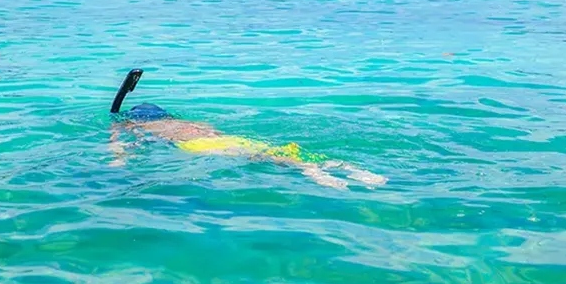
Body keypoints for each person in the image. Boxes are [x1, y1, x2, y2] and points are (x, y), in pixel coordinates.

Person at [109, 102, 386, 190]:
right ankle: (347, 168)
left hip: (200, 147)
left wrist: (118, 156)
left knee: (264, 158)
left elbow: (131, 146)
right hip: (229, 138)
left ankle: (313, 172)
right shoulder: (192, 121)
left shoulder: (145, 128)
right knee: (279, 151)